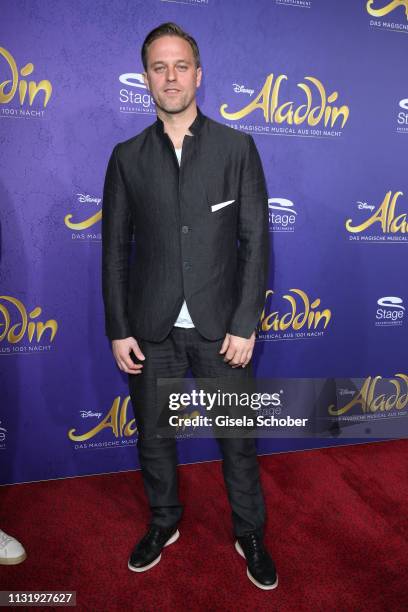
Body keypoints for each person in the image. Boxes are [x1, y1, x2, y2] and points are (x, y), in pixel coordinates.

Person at [101, 22, 277, 590]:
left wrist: (246, 321)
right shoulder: (126, 158)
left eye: (180, 66)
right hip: (151, 331)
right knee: (153, 437)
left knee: (237, 440)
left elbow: (256, 241)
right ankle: (164, 521)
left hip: (221, 332)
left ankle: (249, 531)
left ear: (198, 75)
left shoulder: (237, 148)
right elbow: (114, 252)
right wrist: (119, 327)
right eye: (159, 67)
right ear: (146, 78)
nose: (171, 77)